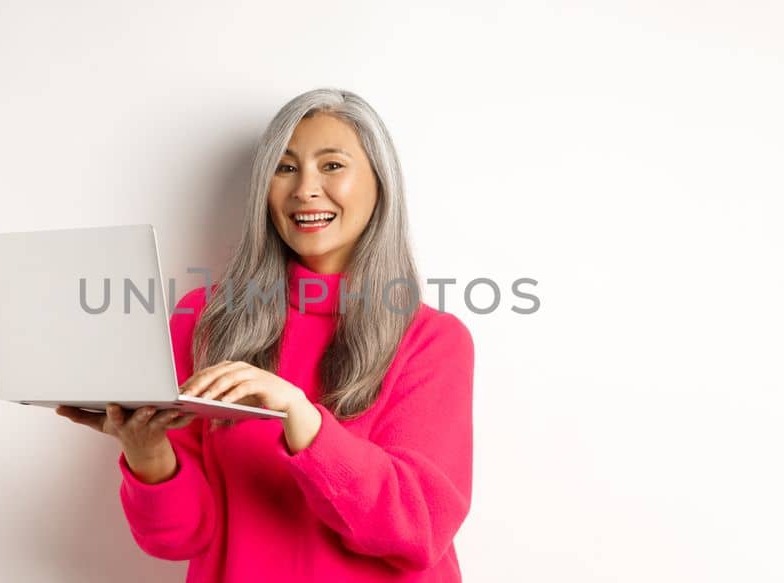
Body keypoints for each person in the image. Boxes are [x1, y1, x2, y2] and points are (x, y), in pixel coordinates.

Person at [56, 87, 474, 582]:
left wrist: (301, 417)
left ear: (380, 185)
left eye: (333, 166)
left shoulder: (431, 339)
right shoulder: (204, 322)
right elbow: (180, 539)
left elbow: (419, 527)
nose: (305, 190)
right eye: (285, 167)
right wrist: (147, 453)